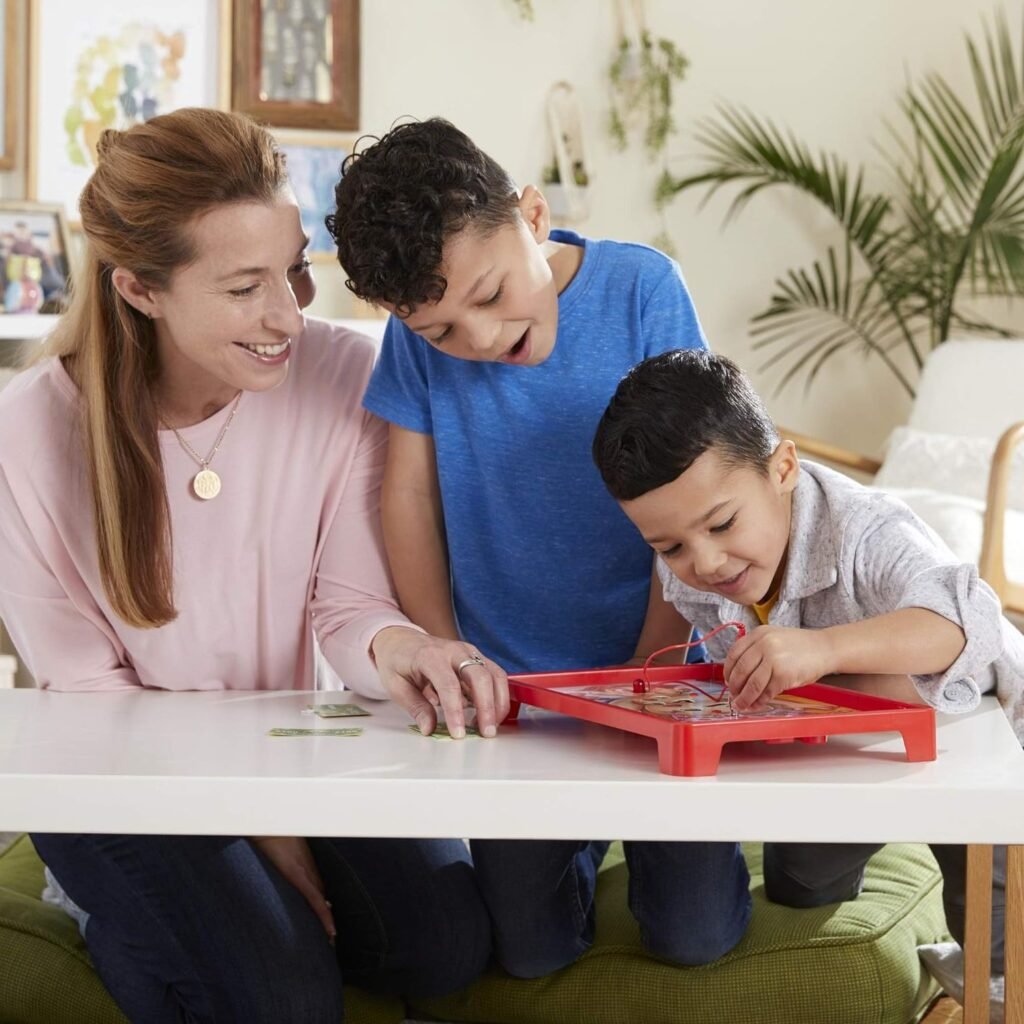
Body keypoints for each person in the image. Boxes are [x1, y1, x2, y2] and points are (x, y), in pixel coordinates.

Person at [0, 108, 506, 1023]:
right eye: (243, 288)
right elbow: (87, 694)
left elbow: (350, 601)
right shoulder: (26, 431)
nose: (288, 315)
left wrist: (402, 649)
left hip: (278, 748)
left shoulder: (345, 376)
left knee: (443, 945)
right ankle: (113, 917)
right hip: (111, 774)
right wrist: (268, 830)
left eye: (295, 268)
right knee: (284, 998)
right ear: (141, 291)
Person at [327, 117, 751, 975]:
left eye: (487, 296)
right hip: (519, 690)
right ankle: (584, 848)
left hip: (665, 670)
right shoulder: (416, 349)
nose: (477, 339)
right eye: (442, 330)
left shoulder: (642, 288)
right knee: (528, 953)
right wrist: (445, 645)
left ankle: (674, 854)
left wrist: (653, 671)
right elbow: (405, 495)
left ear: (532, 214)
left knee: (695, 934)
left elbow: (693, 485)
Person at [592, 346, 1024, 979]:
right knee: (798, 879)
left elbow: (965, 622)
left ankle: (995, 976)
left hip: (976, 733)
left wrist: (822, 649)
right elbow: (664, 624)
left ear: (784, 469)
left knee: (990, 905)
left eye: (722, 524)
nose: (705, 563)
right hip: (848, 743)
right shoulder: (688, 563)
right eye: (670, 545)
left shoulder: (867, 532)